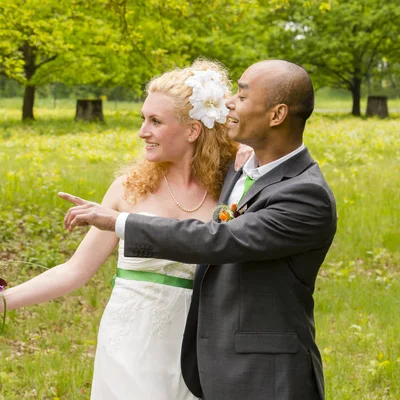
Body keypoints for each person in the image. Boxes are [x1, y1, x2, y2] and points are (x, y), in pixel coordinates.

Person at [0, 59, 249, 399]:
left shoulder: (231, 192)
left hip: (202, 347)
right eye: (143, 119)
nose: (143, 131)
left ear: (193, 130)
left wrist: (249, 151)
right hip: (131, 347)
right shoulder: (129, 189)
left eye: (155, 121)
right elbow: (74, 271)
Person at [59, 60, 337, 400]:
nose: (229, 102)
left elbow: (219, 238)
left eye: (242, 95)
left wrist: (119, 222)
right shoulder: (239, 169)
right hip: (202, 363)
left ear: (277, 115)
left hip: (266, 375)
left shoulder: (306, 195)